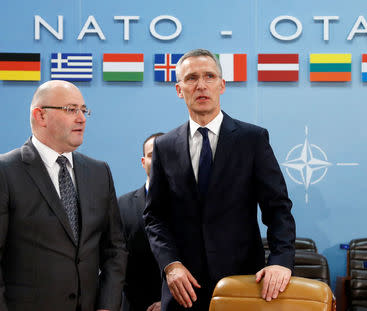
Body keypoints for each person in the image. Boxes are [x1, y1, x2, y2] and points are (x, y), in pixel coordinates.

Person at [143, 49, 295, 311]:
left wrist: (281, 261)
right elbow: (155, 217)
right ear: (179, 90)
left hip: (241, 283)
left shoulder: (252, 139)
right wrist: (171, 265)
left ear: (221, 85)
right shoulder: (165, 146)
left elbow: (278, 208)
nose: (201, 85)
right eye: (191, 78)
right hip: (184, 288)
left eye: (209, 76)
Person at [0, 80, 128, 311]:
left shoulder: (99, 172)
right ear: (40, 116)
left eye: (83, 110)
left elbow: (115, 249)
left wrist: (108, 305)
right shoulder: (6, 171)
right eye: (71, 109)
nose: (82, 118)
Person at [118, 133, 164, 311]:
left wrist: (168, 302)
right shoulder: (121, 206)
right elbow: (113, 261)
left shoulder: (194, 206)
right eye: (153, 155)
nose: (159, 159)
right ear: (143, 162)